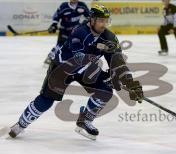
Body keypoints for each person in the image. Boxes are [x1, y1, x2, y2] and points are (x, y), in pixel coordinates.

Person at [7, 5, 144, 140]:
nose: (104, 24)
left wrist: (129, 82)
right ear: (92, 20)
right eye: (101, 20)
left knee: (106, 91)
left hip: (86, 69)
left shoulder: (110, 38)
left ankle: (85, 121)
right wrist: (106, 74)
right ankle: (21, 124)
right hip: (62, 68)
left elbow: (118, 62)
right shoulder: (79, 31)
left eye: (106, 21)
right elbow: (79, 59)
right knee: (46, 100)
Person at [44, 0, 89, 64]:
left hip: (75, 31)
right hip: (64, 31)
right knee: (60, 45)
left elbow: (89, 16)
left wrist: (86, 23)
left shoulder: (82, 5)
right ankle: (50, 57)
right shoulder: (64, 6)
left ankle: (73, 59)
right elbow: (56, 16)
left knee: (75, 45)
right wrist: (54, 25)